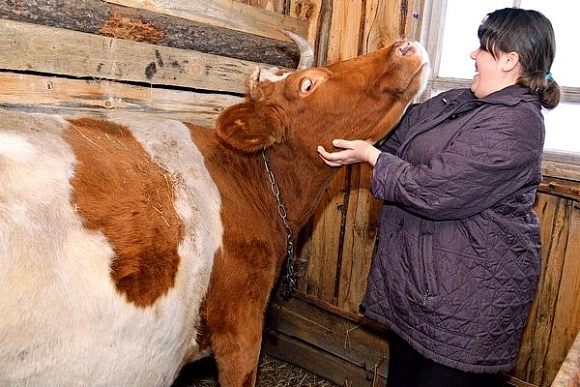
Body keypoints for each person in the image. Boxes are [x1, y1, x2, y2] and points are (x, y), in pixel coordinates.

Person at [317, 8, 560, 387]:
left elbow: (434, 190)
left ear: (511, 60)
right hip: (424, 289)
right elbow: (395, 134)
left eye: (484, 48)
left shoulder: (516, 125)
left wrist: (370, 156)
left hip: (467, 302)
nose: (473, 55)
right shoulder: (459, 103)